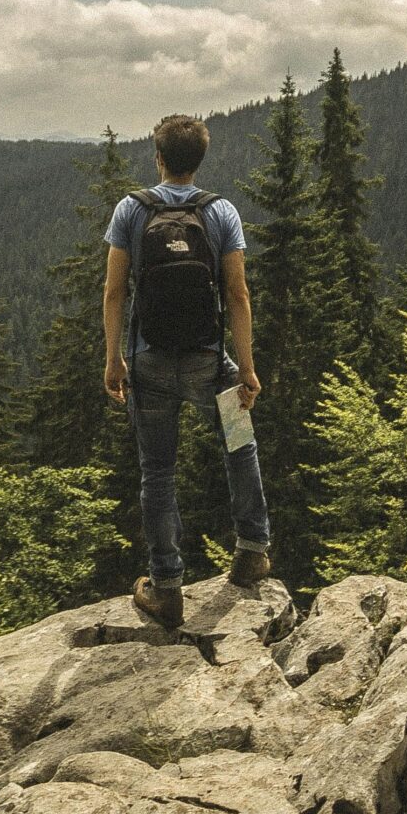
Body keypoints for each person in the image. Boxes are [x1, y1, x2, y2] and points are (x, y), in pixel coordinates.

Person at [103, 113, 269, 628]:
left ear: (157, 157)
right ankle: (251, 551)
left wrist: (114, 359)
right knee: (239, 444)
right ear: (200, 158)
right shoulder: (221, 213)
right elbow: (237, 294)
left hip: (149, 363)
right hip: (208, 361)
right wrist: (246, 369)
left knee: (158, 470)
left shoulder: (132, 210)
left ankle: (166, 586)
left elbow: (113, 292)